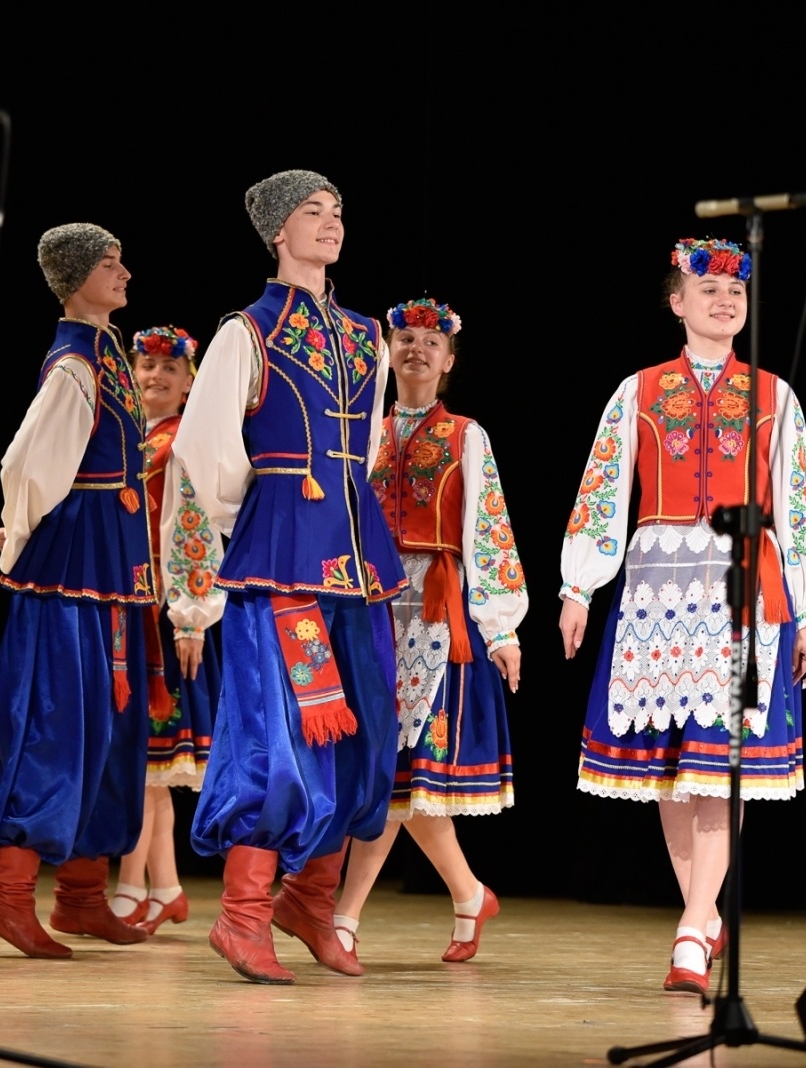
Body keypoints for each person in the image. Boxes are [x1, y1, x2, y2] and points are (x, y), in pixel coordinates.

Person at [559, 238, 806, 995]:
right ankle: (702, 917)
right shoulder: (638, 391)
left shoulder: (774, 396)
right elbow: (602, 488)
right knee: (674, 770)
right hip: (656, 590)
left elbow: (795, 509)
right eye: (707, 289)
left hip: (745, 587)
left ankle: (690, 926)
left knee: (721, 763)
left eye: (735, 290)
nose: (725, 299)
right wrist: (578, 588)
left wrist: (805, 611)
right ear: (676, 302)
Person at [163, 170, 405, 984]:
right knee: (284, 736)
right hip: (283, 565)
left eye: (338, 210)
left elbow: (367, 443)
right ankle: (242, 917)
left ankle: (309, 898)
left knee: (367, 734)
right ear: (277, 230)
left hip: (357, 560)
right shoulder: (247, 330)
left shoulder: (366, 333)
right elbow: (203, 451)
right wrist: (261, 519)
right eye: (313, 212)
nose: (331, 223)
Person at [0, 223, 153, 959]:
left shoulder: (107, 351)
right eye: (110, 263)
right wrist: (16, 534)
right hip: (71, 565)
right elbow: (28, 465)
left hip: (108, 564)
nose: (125, 272)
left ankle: (81, 896)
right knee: (56, 723)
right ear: (76, 277)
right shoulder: (75, 364)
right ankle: (5, 896)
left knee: (106, 728)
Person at [330, 297, 526, 964]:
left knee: (398, 780)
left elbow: (489, 527)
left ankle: (345, 919)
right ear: (388, 351)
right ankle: (469, 894)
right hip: (372, 609)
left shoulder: (466, 435)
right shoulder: (366, 433)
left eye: (430, 342)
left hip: (439, 615)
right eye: (405, 338)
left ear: (448, 360)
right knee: (402, 781)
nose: (416, 349)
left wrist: (502, 629)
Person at [108, 325, 217, 935]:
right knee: (146, 769)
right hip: (130, 610)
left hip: (165, 617)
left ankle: (132, 888)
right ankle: (167, 887)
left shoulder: (180, 445)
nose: (154, 378)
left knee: (147, 767)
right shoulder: (131, 440)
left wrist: (191, 616)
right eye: (146, 368)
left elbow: (192, 530)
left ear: (187, 383)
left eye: (168, 372)